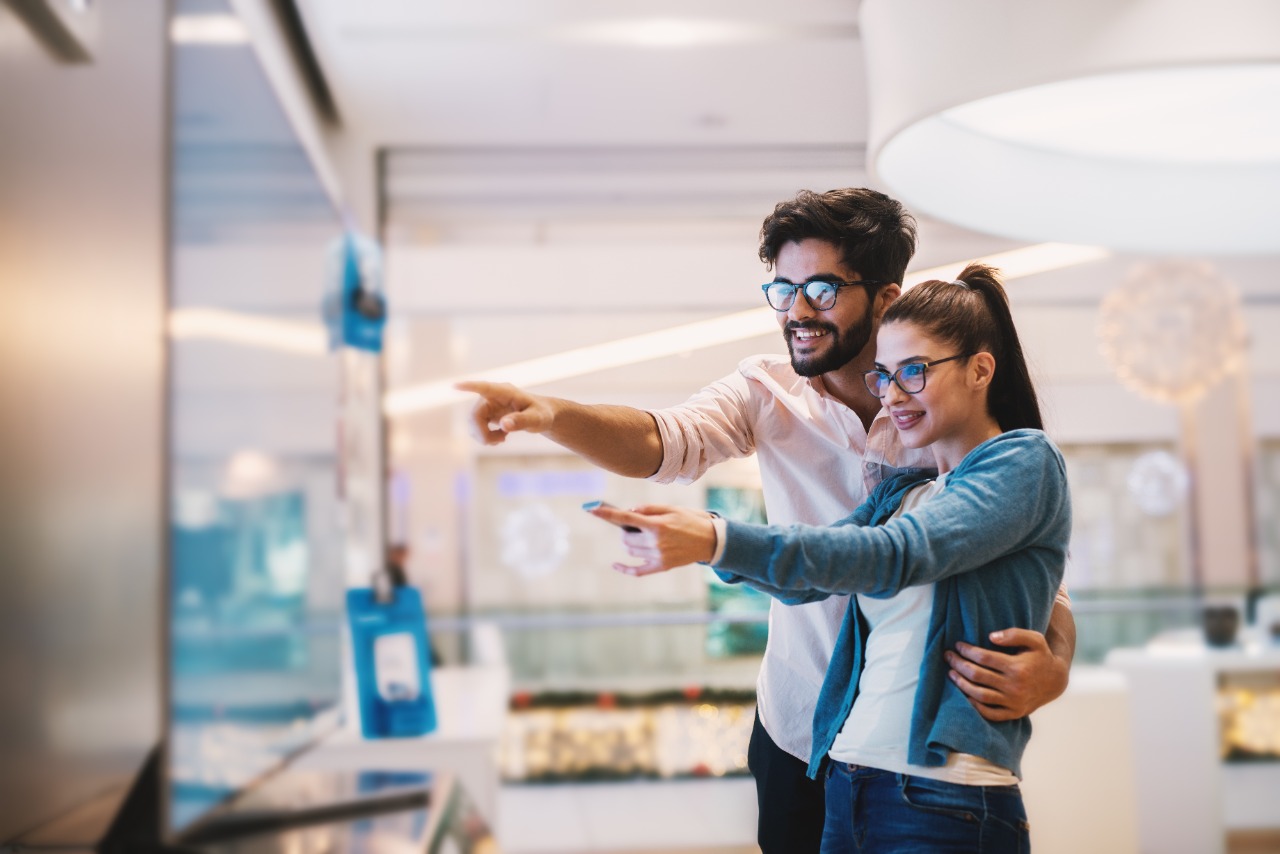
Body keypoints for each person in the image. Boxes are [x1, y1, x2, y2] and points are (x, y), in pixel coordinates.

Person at [458, 189, 1075, 853]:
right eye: (782, 290)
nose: (798, 311)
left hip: (919, 757)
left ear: (887, 297)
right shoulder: (764, 389)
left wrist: (1056, 665)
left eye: (820, 288)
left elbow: (1004, 566)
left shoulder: (949, 421)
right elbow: (663, 441)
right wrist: (554, 415)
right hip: (802, 726)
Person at [590, 263, 1069, 852]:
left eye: (913, 373)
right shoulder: (904, 491)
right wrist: (701, 542)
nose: (894, 396)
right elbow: (807, 584)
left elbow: (895, 555)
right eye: (884, 377)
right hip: (847, 779)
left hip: (946, 795)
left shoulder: (1024, 462)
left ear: (980, 369)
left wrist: (718, 538)